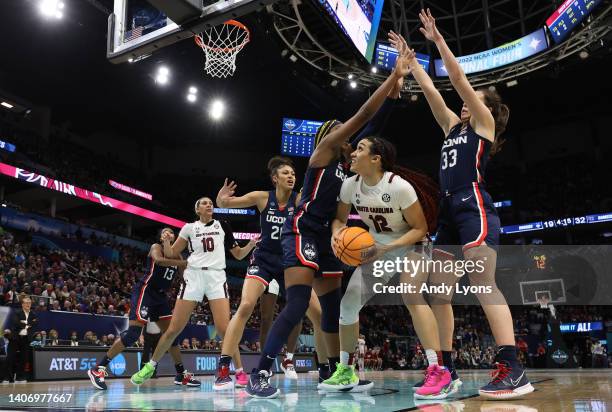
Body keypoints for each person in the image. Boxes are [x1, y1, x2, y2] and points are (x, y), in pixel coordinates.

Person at [245, 42, 413, 399]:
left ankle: (338, 371)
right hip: (303, 228)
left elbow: (376, 129)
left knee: (334, 307)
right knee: (297, 302)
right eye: (341, 131)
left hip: (329, 237)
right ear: (331, 136)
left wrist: (396, 96)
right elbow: (365, 114)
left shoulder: (349, 169)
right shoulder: (321, 154)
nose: (348, 136)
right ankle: (258, 372)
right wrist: (392, 78)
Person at [391, 10, 533, 399]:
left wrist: (437, 41)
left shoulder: (483, 124)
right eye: (468, 102)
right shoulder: (454, 127)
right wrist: (411, 62)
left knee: (483, 282)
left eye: (474, 100)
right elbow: (435, 95)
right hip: (449, 211)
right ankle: (447, 369)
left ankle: (513, 367)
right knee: (440, 291)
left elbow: (455, 81)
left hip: (474, 205)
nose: (466, 104)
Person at [322, 136, 453, 399]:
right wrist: (338, 233)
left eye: (360, 149)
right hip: (379, 245)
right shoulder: (350, 185)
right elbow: (339, 219)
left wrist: (386, 249)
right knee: (348, 305)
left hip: (413, 243)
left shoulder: (399, 187)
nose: (353, 153)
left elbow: (420, 228)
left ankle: (438, 370)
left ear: (375, 158)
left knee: (411, 293)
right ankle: (347, 371)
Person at [213, 157, 326, 388]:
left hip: (289, 262)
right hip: (263, 259)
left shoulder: (299, 199)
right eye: (285, 173)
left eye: (293, 173)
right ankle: (224, 368)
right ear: (275, 178)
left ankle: (325, 368)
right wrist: (220, 197)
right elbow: (225, 203)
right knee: (245, 305)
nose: (291, 176)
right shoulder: (262, 197)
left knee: (317, 314)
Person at [131, 199, 256, 386]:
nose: (209, 205)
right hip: (194, 276)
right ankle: (150, 366)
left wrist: (250, 245)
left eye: (210, 203)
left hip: (216, 277)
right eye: (204, 203)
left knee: (225, 329)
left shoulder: (223, 225)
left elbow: (238, 254)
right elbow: (172, 254)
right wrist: (166, 242)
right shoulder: (189, 228)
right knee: (173, 329)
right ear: (197, 209)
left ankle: (239, 372)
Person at [89, 228, 200, 390]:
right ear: (161, 237)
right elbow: (160, 261)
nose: (169, 234)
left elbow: (185, 278)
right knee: (133, 335)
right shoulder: (156, 247)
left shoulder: (178, 256)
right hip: (145, 292)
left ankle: (181, 374)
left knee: (172, 336)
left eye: (172, 233)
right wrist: (183, 263)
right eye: (165, 232)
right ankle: (98, 369)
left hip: (161, 298)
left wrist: (196, 269)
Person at [13, 296, 36, 382]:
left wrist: (23, 323)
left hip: (26, 338)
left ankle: (20, 377)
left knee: (24, 358)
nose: (28, 304)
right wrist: (27, 324)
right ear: (22, 304)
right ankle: (8, 377)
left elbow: (35, 323)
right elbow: (16, 323)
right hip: (16, 337)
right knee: (12, 357)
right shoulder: (17, 312)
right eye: (26, 303)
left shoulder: (33, 314)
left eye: (29, 303)